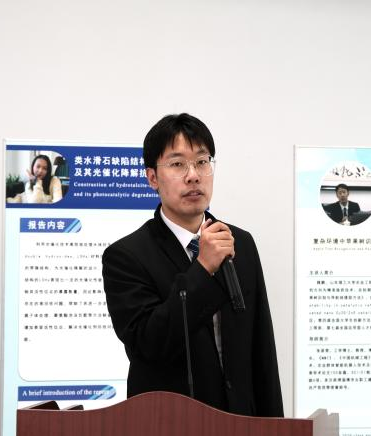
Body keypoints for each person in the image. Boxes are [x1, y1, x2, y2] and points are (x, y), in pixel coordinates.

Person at [102, 113, 283, 417]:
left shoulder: (240, 242)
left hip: (242, 422)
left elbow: (261, 350)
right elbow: (150, 346)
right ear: (152, 178)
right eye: (177, 164)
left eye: (202, 161)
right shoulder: (126, 256)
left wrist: (275, 426)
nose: (193, 175)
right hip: (168, 422)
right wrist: (202, 269)